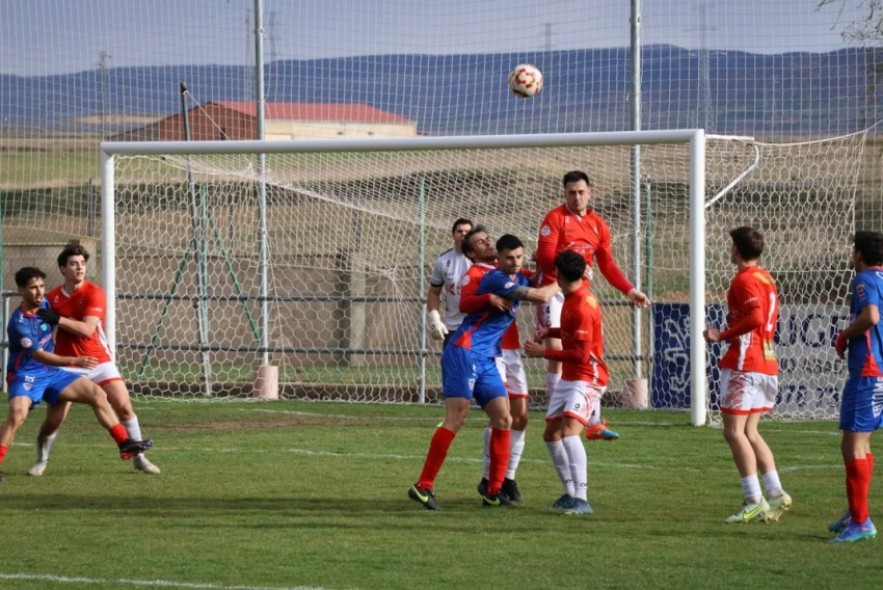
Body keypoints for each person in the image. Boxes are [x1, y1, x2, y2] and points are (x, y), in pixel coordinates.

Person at [408, 229, 559, 510]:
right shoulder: (494, 278)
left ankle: (493, 490)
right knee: (456, 418)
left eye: (518, 257)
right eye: (509, 257)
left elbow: (540, 277)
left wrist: (549, 263)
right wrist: (564, 277)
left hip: (488, 357)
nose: (514, 262)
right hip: (464, 351)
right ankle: (423, 486)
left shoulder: (514, 274)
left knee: (504, 418)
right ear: (497, 259)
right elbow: (539, 295)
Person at [0, 267, 152, 479]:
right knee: (17, 416)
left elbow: (69, 306)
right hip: (27, 373)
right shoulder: (19, 323)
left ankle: (124, 443)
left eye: (42, 287)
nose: (39, 292)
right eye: (33, 288)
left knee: (97, 394)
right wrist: (74, 360)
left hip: (52, 372)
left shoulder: (45, 305)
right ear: (21, 290)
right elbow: (40, 356)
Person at [535, 170, 650, 441]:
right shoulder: (555, 218)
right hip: (554, 290)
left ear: (590, 193)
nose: (576, 197)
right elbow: (545, 255)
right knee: (558, 350)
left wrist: (630, 290)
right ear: (564, 194)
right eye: (571, 192)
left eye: (581, 192)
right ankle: (562, 411)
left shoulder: (598, 225)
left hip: (580, 295)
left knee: (590, 354)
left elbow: (607, 264)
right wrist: (573, 265)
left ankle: (593, 421)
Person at [28, 243, 160, 476]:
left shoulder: (94, 293)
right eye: (73, 264)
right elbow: (42, 329)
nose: (79, 268)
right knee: (55, 419)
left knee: (124, 405)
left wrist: (57, 319)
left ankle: (140, 458)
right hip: (68, 365)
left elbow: (88, 330)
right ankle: (42, 460)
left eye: (82, 263)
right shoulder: (52, 298)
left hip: (98, 360)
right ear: (62, 269)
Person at [703, 226, 791, 525]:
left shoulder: (744, 280)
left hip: (746, 364)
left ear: (737, 250)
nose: (729, 250)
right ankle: (776, 492)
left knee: (733, 432)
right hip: (765, 362)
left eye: (731, 246)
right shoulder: (766, 277)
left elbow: (754, 317)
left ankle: (754, 501)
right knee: (750, 432)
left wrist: (722, 334)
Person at [524, 250, 609, 515]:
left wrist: (543, 352)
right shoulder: (572, 296)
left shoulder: (583, 305)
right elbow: (570, 332)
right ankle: (570, 493)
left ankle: (582, 499)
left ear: (558, 274)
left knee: (570, 432)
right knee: (551, 434)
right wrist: (549, 332)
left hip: (588, 377)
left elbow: (581, 355)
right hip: (571, 376)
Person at [828, 230, 883, 543]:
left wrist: (846, 334)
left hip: (867, 372)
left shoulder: (863, 280)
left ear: (860, 255)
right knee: (862, 444)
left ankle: (861, 521)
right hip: (879, 372)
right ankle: (856, 510)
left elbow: (871, 316)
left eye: (853, 251)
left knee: (852, 445)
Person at [426, 218, 473, 345]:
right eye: (460, 231)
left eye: (467, 232)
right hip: (452, 327)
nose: (463, 234)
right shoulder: (443, 261)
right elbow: (433, 293)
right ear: (453, 235)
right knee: (451, 364)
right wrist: (435, 320)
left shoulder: (482, 259)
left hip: (477, 326)